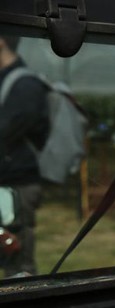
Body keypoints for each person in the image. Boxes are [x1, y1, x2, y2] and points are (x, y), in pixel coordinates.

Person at [0, 35, 48, 277]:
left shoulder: (24, 85)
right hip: (7, 182)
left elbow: (4, 132)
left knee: (17, 265)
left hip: (16, 186)